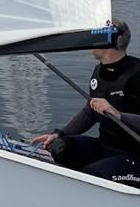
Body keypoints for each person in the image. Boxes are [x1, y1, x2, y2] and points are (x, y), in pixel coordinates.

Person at [30, 22, 140, 187]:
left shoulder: (137, 74)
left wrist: (118, 115)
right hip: (105, 147)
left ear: (111, 42)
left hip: (133, 156)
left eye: (96, 36)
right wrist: (59, 134)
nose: (90, 41)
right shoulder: (98, 71)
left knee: (91, 176)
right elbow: (90, 112)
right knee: (60, 148)